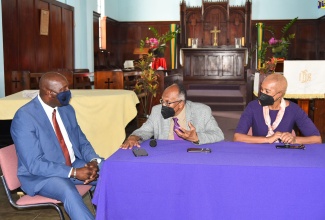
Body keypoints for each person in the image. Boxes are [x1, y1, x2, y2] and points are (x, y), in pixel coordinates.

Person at [10, 72, 103, 220]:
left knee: (109, 169)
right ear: (49, 93)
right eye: (64, 90)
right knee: (67, 190)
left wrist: (93, 161)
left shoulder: (66, 109)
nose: (68, 93)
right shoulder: (25, 117)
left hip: (73, 164)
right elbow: (35, 164)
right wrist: (73, 172)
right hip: (41, 176)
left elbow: (81, 141)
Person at [121, 83, 224, 149]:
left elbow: (218, 135)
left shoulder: (202, 111)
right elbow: (145, 130)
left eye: (168, 103)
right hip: (165, 155)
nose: (163, 105)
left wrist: (196, 137)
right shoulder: (157, 111)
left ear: (181, 104)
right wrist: (134, 137)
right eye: (162, 101)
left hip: (192, 155)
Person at [233, 73, 322, 144]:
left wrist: (294, 140)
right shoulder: (253, 106)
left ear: (279, 94)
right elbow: (237, 137)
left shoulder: (294, 109)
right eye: (262, 89)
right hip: (258, 153)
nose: (262, 94)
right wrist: (268, 140)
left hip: (284, 155)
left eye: (267, 91)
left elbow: (317, 139)